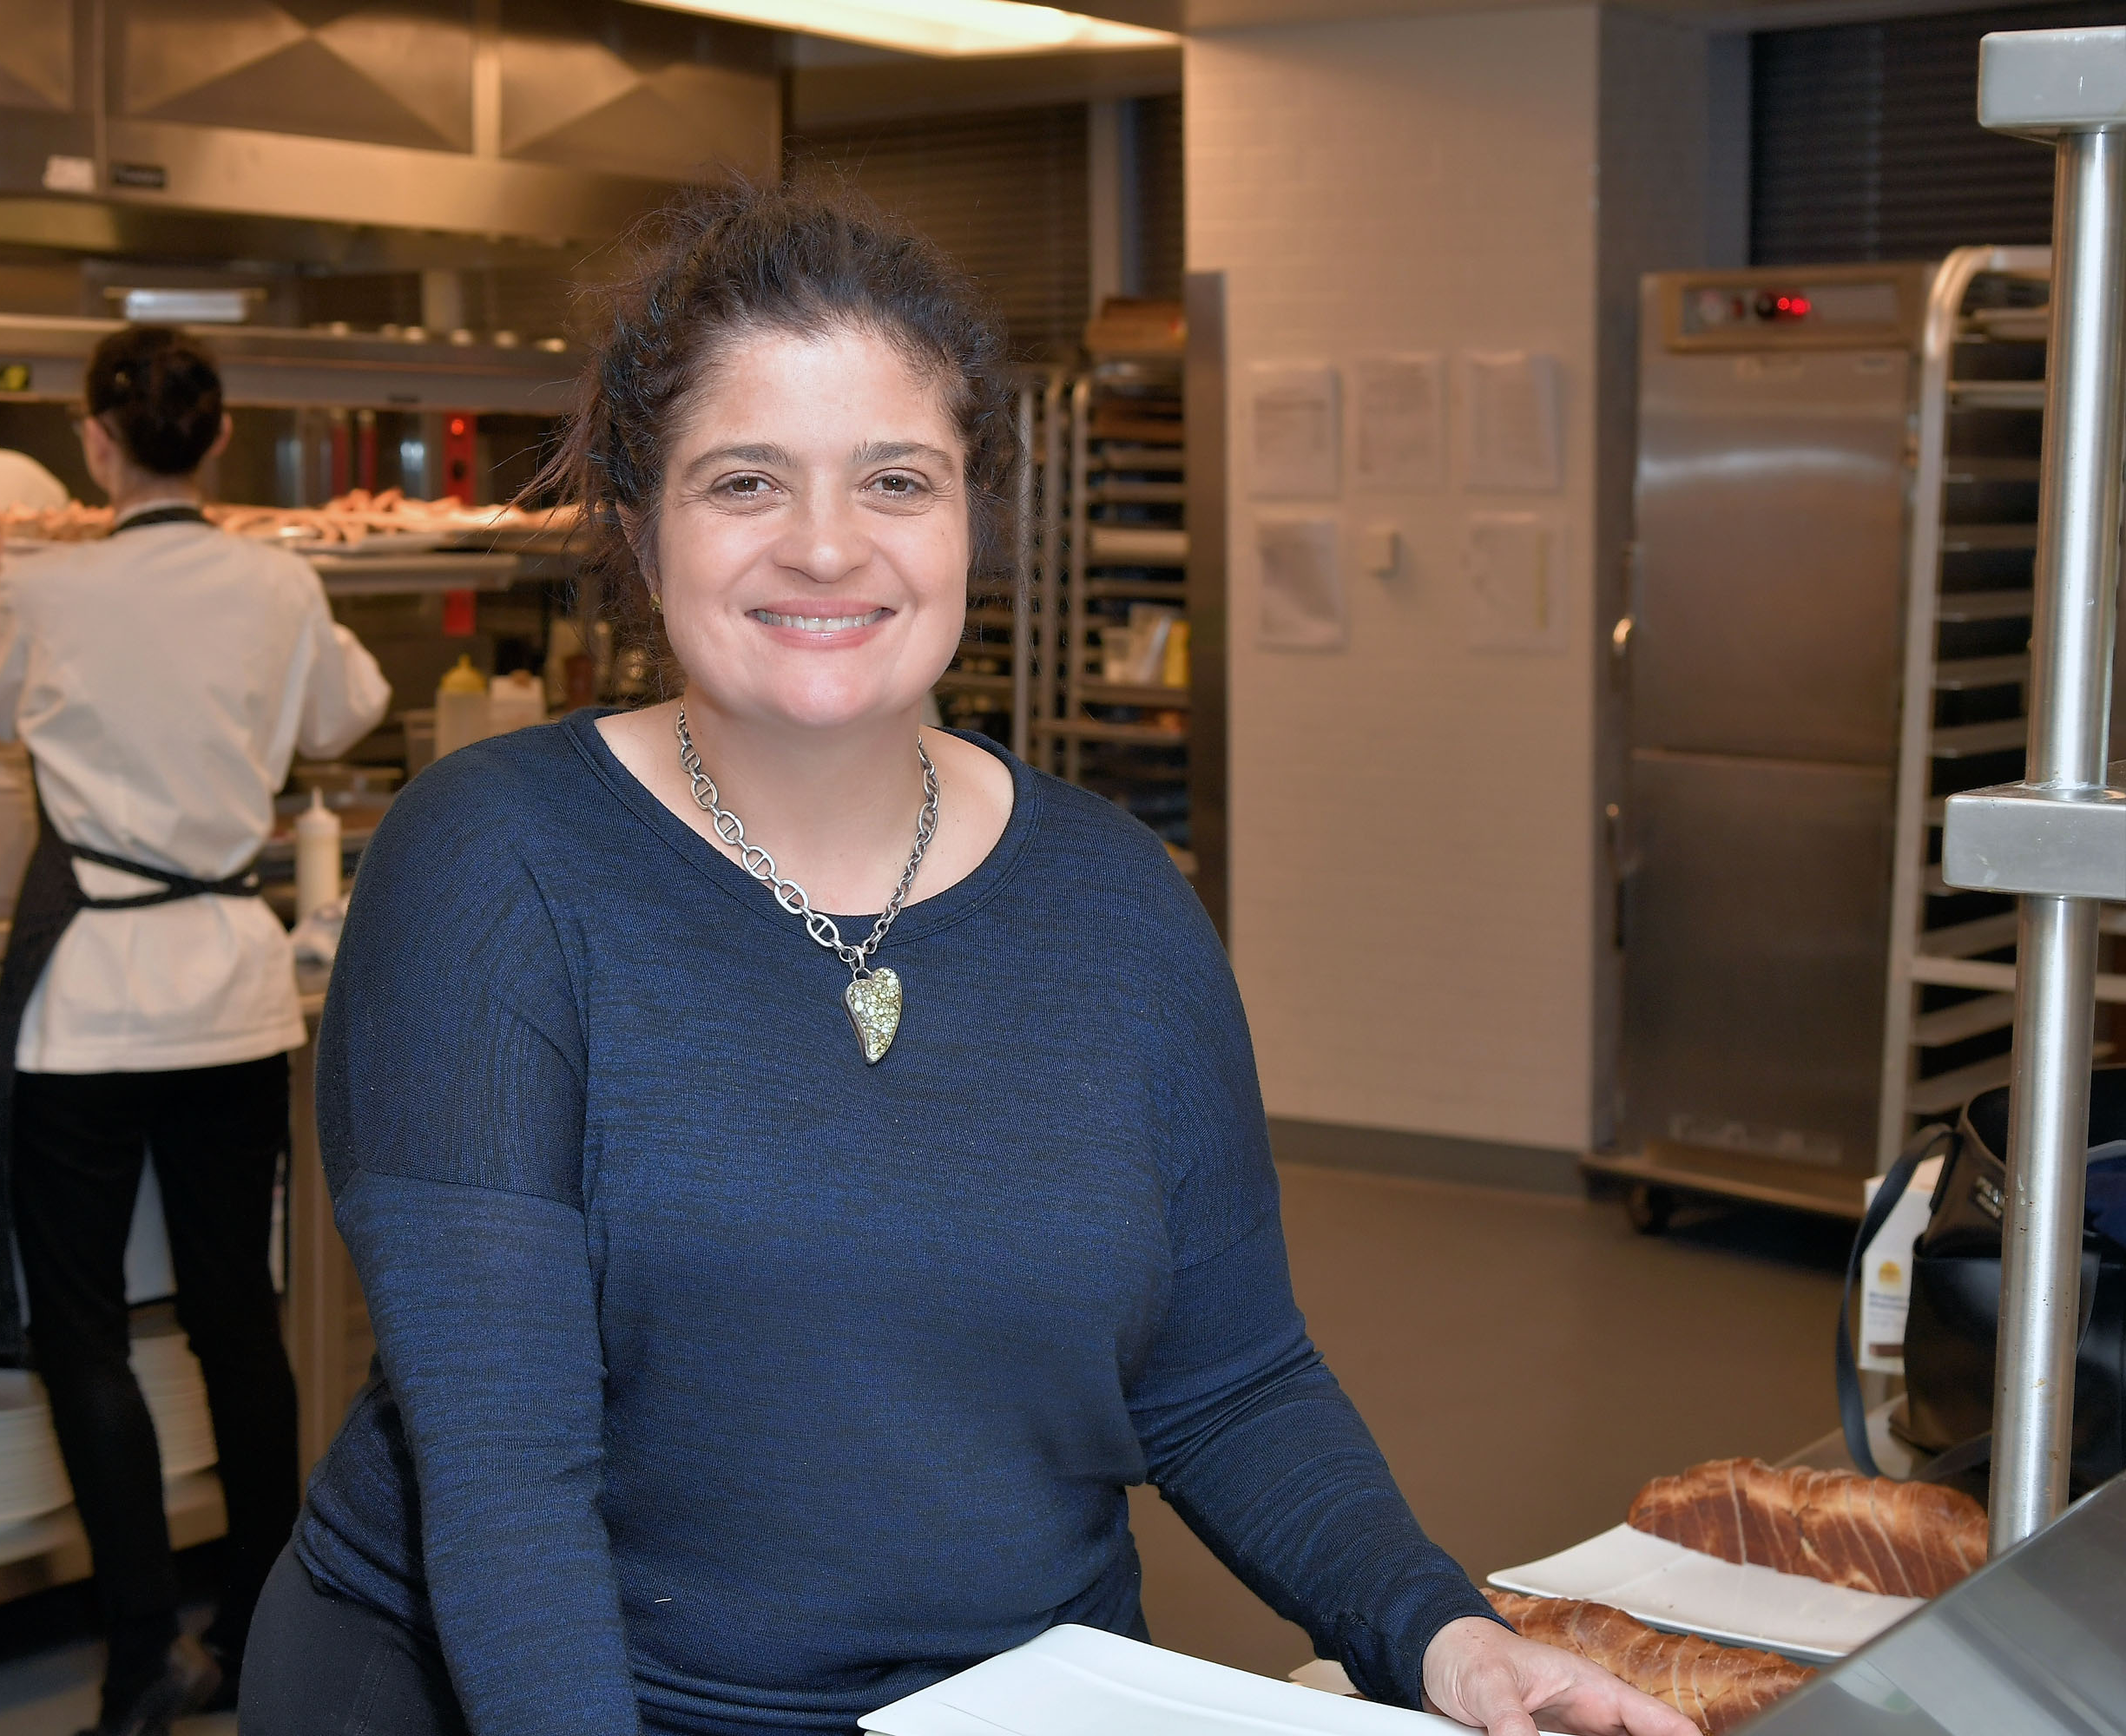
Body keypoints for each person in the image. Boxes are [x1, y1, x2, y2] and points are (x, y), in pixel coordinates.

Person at [244, 182, 1695, 1736]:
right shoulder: (494, 864)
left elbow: (1228, 1381)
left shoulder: (1116, 897)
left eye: (894, 480)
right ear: (634, 522)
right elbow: (506, 1480)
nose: (824, 546)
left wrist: (1447, 1641)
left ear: (972, 517)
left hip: (1015, 1697)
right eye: (745, 480)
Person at [0, 326, 391, 1736]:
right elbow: (346, 718)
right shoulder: (275, 575)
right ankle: (256, 1637)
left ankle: (135, 1665)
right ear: (220, 438)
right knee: (237, 1318)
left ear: (97, 443)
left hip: (88, 1007)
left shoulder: (52, 585)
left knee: (85, 1333)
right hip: (230, 989)